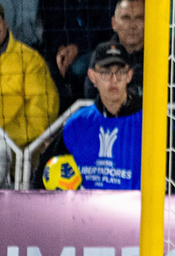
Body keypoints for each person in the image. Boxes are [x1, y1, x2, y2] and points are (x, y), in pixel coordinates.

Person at [43, 41, 141, 189]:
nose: (114, 79)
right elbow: (42, 174)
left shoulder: (151, 123)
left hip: (135, 205)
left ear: (129, 75)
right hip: (85, 204)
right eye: (105, 72)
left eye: (120, 72)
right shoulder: (77, 123)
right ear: (92, 76)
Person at [0, 0, 57, 149]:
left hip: (16, 146)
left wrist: (3, 137)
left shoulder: (30, 60)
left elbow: (42, 111)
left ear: (4, 24)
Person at [86, 0, 143, 99]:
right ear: (114, 23)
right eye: (126, 18)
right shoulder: (101, 54)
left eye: (139, 18)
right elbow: (91, 95)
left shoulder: (163, 55)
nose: (132, 25)